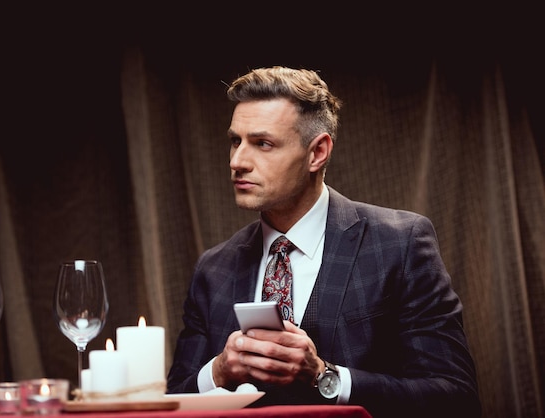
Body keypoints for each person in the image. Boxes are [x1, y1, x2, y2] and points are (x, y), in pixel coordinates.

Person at [166, 66, 481, 418]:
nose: (237, 161)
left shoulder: (400, 244)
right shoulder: (214, 268)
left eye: (263, 143)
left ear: (317, 153)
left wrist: (324, 376)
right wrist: (219, 371)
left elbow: (455, 397)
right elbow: (173, 398)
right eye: (235, 141)